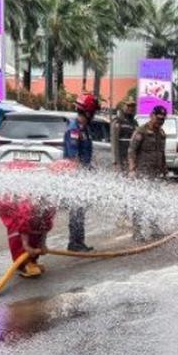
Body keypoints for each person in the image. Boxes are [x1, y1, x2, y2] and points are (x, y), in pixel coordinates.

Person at [0, 161, 59, 278]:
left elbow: (46, 225)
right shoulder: (27, 205)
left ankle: (32, 260)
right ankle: (23, 263)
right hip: (10, 201)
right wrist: (26, 245)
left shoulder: (50, 204)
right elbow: (23, 225)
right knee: (16, 230)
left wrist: (43, 244)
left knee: (36, 229)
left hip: (24, 202)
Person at [63, 93, 99, 252]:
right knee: (76, 208)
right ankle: (74, 243)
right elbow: (73, 157)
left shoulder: (84, 128)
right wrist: (80, 176)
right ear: (88, 112)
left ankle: (79, 241)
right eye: (93, 112)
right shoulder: (74, 130)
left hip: (84, 174)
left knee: (81, 208)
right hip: (76, 176)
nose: (94, 115)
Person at [128, 104, 169, 241]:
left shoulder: (161, 133)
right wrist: (132, 169)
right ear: (151, 116)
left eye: (162, 120)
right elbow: (131, 151)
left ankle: (154, 228)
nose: (160, 122)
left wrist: (164, 169)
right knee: (140, 202)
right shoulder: (141, 131)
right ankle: (137, 232)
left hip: (155, 174)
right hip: (142, 173)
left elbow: (161, 153)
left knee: (154, 202)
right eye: (158, 119)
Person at [110, 99, 138, 172]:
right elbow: (114, 142)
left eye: (133, 106)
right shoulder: (118, 121)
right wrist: (115, 161)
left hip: (130, 158)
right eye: (128, 106)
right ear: (123, 107)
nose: (131, 108)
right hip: (120, 157)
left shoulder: (135, 123)